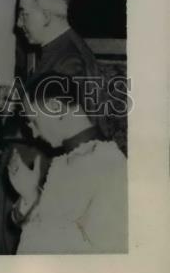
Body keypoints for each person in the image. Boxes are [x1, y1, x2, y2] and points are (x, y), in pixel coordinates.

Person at [0, 0, 110, 252]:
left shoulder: (67, 59)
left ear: (46, 16)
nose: (18, 23)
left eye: (24, 13)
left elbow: (64, 131)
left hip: (45, 178)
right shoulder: (60, 51)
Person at [9, 74, 127, 253]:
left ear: (56, 108)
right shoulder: (65, 160)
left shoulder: (108, 163)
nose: (33, 134)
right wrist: (29, 194)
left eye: (33, 121)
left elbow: (107, 250)